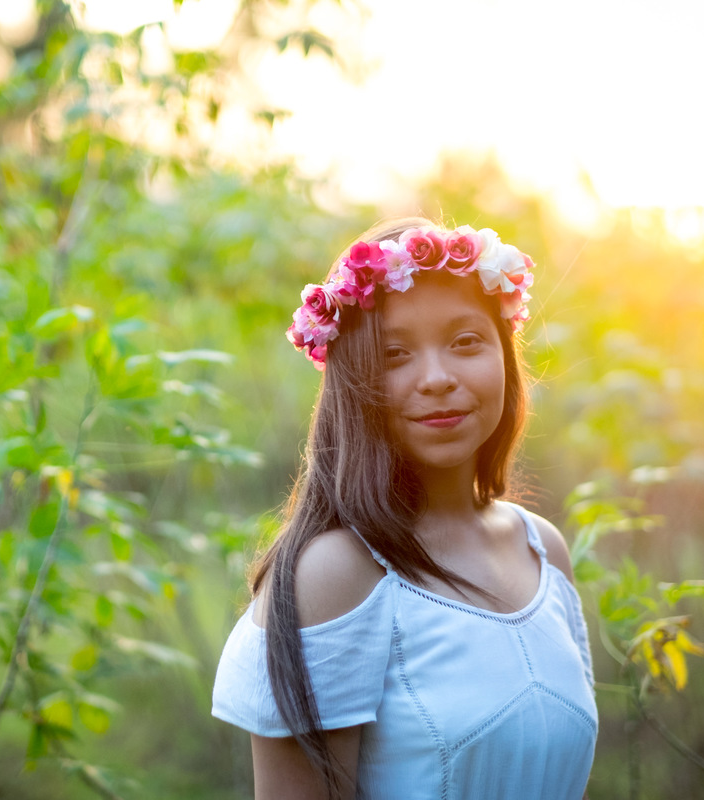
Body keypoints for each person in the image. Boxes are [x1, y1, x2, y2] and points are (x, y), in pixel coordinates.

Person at [211, 218, 597, 800]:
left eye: (466, 342)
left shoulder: (541, 548)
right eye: (394, 354)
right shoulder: (335, 576)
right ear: (352, 381)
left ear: (505, 356)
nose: (437, 379)